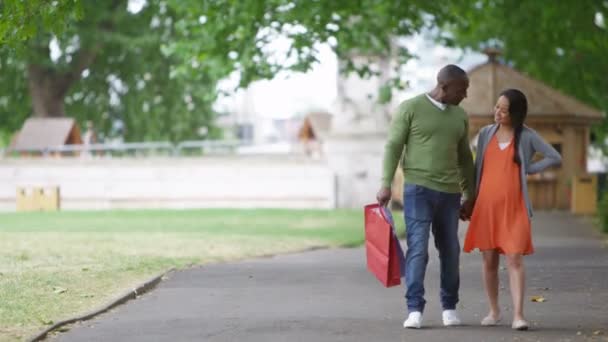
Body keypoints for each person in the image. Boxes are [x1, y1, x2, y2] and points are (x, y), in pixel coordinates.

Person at [377, 64, 476, 329]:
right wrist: (385, 184)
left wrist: (471, 194)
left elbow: (465, 159)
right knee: (419, 250)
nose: (465, 95)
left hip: (450, 194)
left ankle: (449, 306)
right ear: (444, 86)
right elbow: (393, 146)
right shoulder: (410, 108)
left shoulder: (460, 116)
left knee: (451, 251)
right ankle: (414, 309)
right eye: (461, 89)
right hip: (418, 190)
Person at [463, 89, 562, 330]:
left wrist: (527, 168)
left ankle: (518, 315)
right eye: (496, 107)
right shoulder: (486, 133)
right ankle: (494, 311)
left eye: (503, 109)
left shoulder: (527, 136)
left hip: (514, 207)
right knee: (488, 261)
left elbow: (554, 156)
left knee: (514, 258)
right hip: (486, 207)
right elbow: (477, 170)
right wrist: (470, 200)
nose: (497, 112)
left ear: (515, 113)